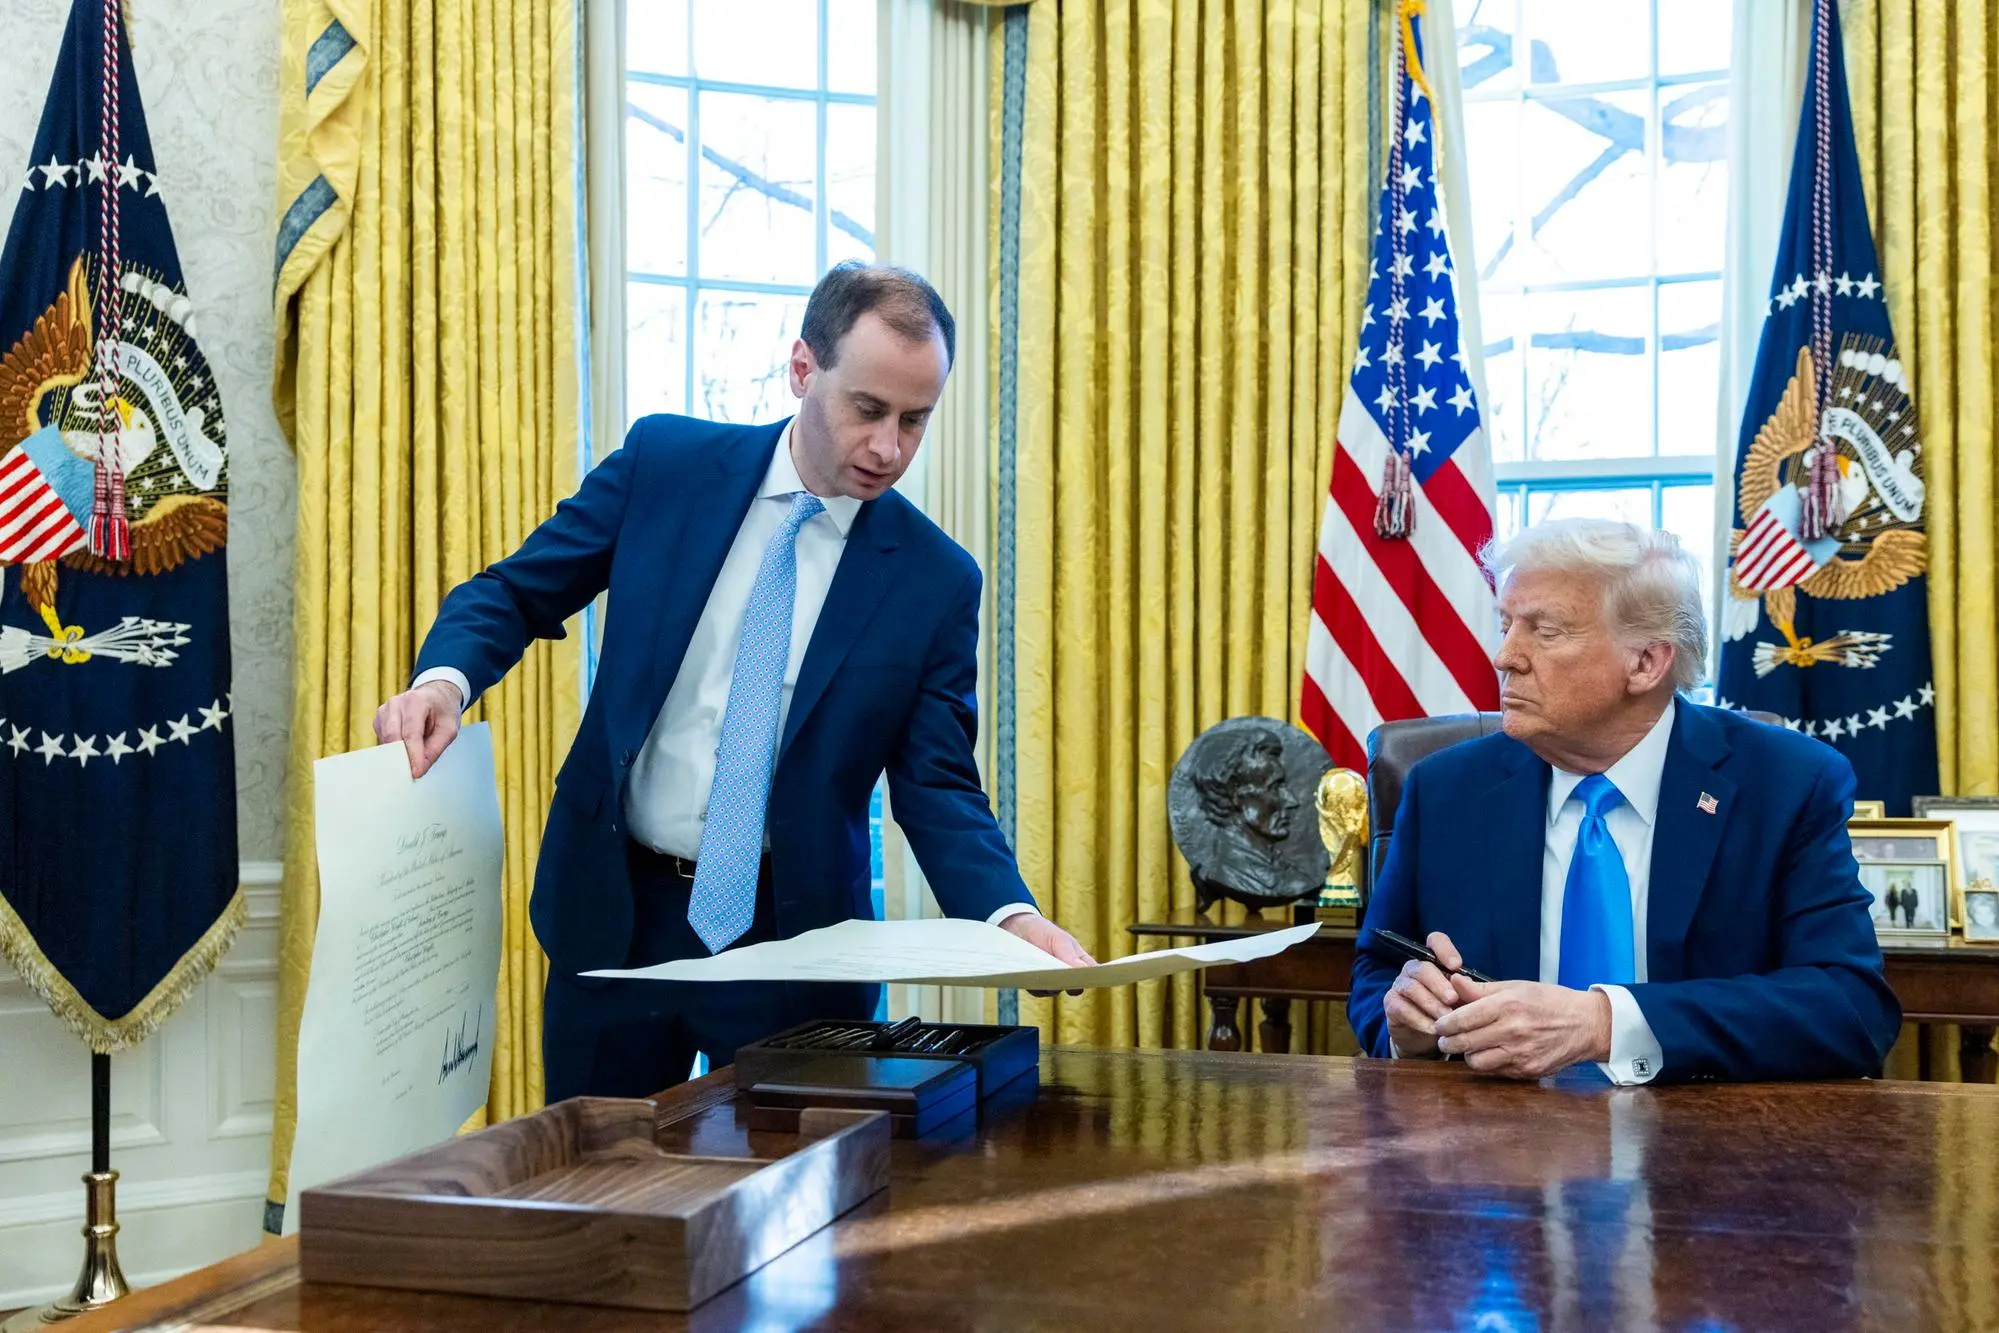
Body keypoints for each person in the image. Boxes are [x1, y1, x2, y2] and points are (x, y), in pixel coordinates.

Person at [374, 263, 1092, 1101]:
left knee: (797, 1214)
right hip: (615, 919)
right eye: (867, 409)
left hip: (796, 952)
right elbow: (515, 590)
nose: (887, 447)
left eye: (914, 420)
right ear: (801, 369)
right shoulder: (664, 466)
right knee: (595, 1193)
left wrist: (1010, 918)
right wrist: (444, 682)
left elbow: (936, 786)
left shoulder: (935, 580)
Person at [1348, 518, 1900, 1084]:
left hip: (1711, 1147)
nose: (1504, 656)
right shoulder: (1445, 790)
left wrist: (1606, 1024)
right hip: (1496, 1147)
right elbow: (1377, 971)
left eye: (1545, 631)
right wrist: (1405, 1025)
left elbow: (1849, 1007)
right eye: (1507, 623)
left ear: (1646, 663)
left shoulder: (1786, 783)